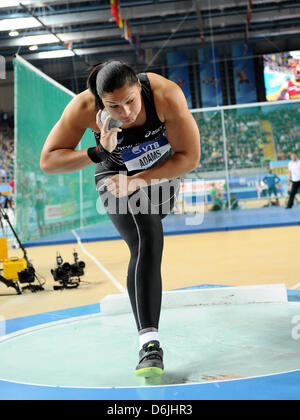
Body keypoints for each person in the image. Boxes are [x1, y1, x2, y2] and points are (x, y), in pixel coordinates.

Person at [40, 60, 200, 378]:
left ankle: (148, 337)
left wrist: (141, 180)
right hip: (114, 173)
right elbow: (49, 161)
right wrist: (97, 151)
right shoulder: (83, 107)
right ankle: (150, 345)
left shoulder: (166, 95)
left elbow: (190, 157)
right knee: (146, 237)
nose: (125, 112)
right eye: (114, 106)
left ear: (139, 89)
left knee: (147, 228)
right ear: (100, 103)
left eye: (130, 101)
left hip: (160, 173)